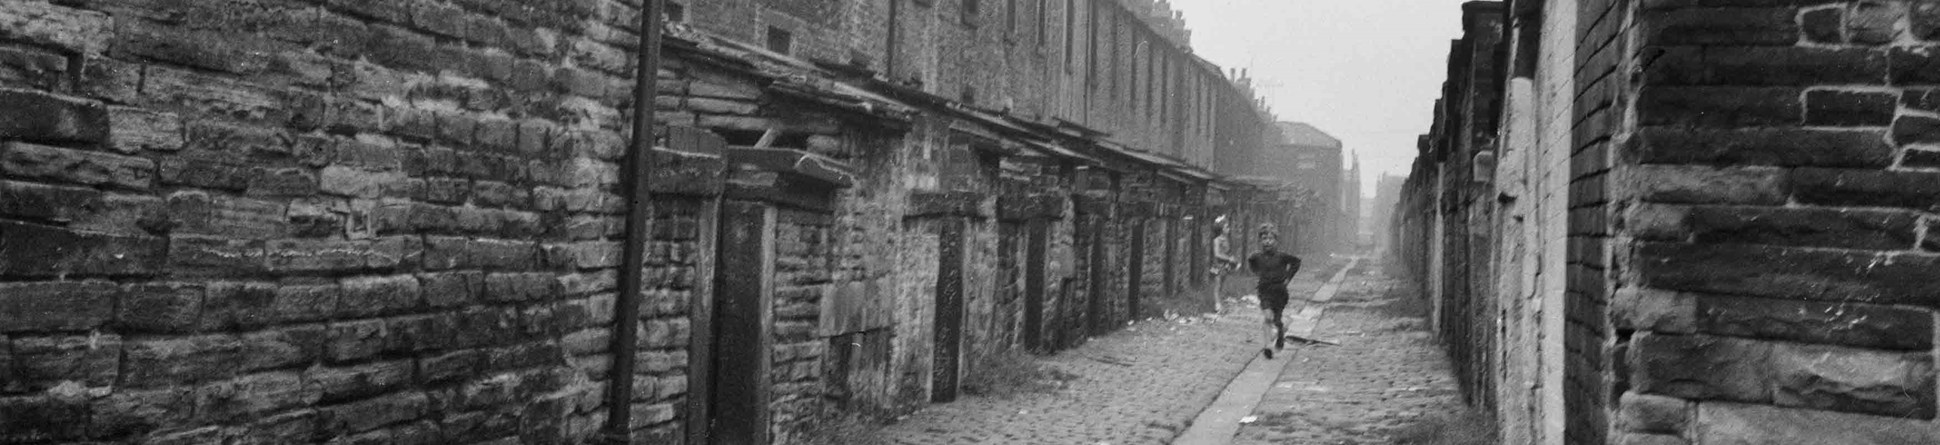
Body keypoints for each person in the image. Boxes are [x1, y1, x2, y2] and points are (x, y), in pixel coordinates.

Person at [1246, 223, 1301, 359]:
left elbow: (1296, 263)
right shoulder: (1257, 257)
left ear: (1276, 241)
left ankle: (1280, 332)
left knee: (1276, 320)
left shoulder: (1282, 257)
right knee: (1268, 317)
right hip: (1265, 291)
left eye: (1271, 239)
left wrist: (1287, 278)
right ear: (1260, 241)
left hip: (1280, 292)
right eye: (1264, 239)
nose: (1268, 242)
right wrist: (1258, 273)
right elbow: (1251, 262)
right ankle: (1267, 346)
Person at [1209, 216, 1238, 313]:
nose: (1228, 229)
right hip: (1218, 266)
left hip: (1225, 267)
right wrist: (1229, 259)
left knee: (1221, 286)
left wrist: (1232, 259)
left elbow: (1227, 252)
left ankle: (1220, 304)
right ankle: (1217, 305)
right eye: (1226, 227)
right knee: (1217, 286)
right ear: (1221, 229)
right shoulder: (1217, 240)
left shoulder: (1226, 240)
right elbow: (1217, 254)